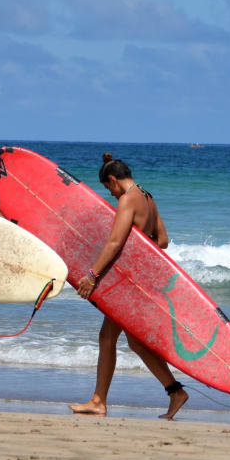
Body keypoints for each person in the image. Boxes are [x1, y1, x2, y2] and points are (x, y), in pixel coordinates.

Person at [71, 153, 189, 420]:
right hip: (141, 279)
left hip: (128, 283)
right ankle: (174, 392)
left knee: (108, 338)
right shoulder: (148, 198)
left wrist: (91, 276)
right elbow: (163, 240)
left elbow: (114, 243)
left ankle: (99, 401)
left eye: (107, 187)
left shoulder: (127, 200)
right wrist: (139, 253)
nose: (111, 194)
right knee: (132, 343)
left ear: (113, 180)